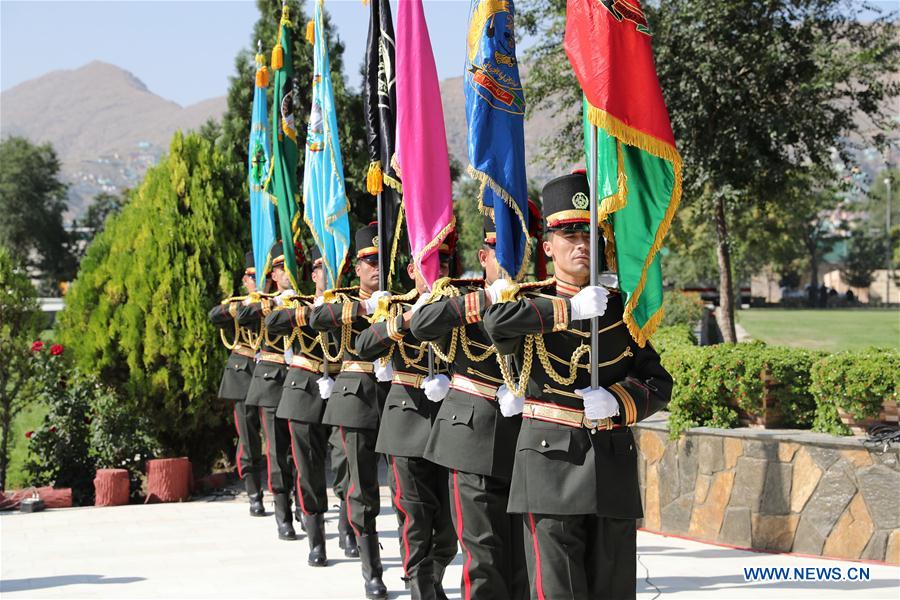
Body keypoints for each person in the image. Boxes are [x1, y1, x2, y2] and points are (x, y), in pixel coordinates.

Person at [483, 172, 674, 600]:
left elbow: (659, 382)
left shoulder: (622, 308)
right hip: (550, 469)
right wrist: (567, 310)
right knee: (559, 591)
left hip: (610, 465)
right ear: (548, 246)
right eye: (569, 234)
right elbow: (496, 325)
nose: (582, 244)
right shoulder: (531, 301)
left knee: (612, 589)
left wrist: (619, 400)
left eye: (588, 233)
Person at [410, 218, 528, 600]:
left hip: (527, 442)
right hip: (471, 437)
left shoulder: (539, 299)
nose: (510, 262)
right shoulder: (464, 296)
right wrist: (491, 297)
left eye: (517, 252)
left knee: (523, 559)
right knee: (484, 559)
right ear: (484, 257)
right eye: (501, 253)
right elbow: (423, 324)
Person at [355, 243, 458, 600]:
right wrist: (404, 321)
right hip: (405, 423)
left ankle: (434, 574)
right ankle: (419, 586)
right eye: (428, 261)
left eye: (443, 260)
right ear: (412, 270)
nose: (437, 267)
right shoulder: (395, 306)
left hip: (450, 423)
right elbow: (363, 344)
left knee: (448, 528)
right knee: (414, 517)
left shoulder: (457, 305)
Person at [308, 224, 390, 600]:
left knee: (407, 493)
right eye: (369, 261)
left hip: (396, 401)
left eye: (381, 260)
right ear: (356, 267)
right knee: (361, 488)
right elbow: (315, 319)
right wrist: (362, 308)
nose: (376, 267)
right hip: (354, 401)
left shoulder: (400, 300)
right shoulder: (343, 302)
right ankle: (372, 571)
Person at [264, 247, 343, 566]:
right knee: (308, 468)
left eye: (334, 267)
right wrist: (310, 311)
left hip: (341, 390)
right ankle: (316, 539)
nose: (329, 274)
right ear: (312, 275)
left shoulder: (351, 304)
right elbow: (272, 322)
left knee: (346, 463)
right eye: (323, 269)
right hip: (304, 389)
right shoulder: (299, 305)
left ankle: (350, 528)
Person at [238, 241, 298, 541]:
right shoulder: (265, 302)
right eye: (281, 267)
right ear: (273, 274)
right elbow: (240, 316)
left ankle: (306, 504)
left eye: (292, 265)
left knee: (304, 451)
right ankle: (283, 511)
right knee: (278, 452)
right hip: (273, 381)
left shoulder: (307, 300)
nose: (288, 272)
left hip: (303, 382)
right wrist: (262, 301)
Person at [208, 251, 265, 517]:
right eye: (254, 276)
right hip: (243, 373)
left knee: (277, 440)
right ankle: (254, 492)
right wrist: (243, 306)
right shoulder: (238, 303)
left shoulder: (277, 302)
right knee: (248, 438)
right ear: (245, 279)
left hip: (267, 372)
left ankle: (284, 491)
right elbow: (215, 315)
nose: (258, 281)